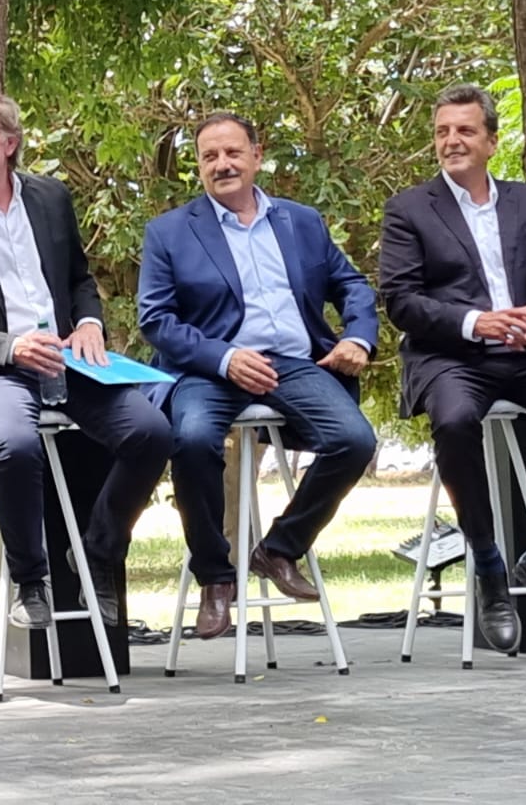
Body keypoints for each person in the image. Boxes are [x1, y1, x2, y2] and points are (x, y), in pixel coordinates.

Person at [0, 88, 170, 629]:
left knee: (153, 432)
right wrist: (10, 347)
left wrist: (89, 323)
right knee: (17, 443)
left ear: (10, 142)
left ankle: (97, 550)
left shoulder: (50, 198)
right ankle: (30, 583)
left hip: (67, 359)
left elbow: (79, 279)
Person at [138, 111, 378, 639]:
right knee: (192, 439)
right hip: (209, 367)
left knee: (355, 440)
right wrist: (225, 358)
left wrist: (357, 337)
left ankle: (280, 548)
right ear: (198, 166)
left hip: (292, 363)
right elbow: (156, 320)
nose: (222, 164)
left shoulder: (302, 221)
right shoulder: (169, 232)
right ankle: (214, 577)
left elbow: (352, 284)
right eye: (209, 157)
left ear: (256, 155)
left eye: (232, 152)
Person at [379, 82, 526, 651]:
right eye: (442, 132)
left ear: (492, 142)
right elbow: (401, 301)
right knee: (453, 422)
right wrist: (477, 322)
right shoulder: (409, 209)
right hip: (451, 356)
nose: (452, 141)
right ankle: (489, 564)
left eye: (465, 130)